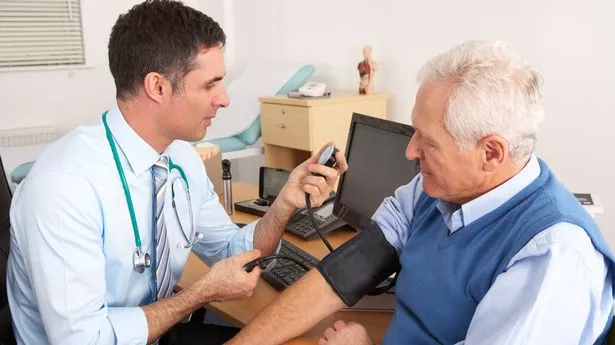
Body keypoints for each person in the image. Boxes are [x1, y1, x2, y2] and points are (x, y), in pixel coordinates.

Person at [227, 40, 615, 345]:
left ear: (491, 153)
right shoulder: (434, 190)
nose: (410, 152)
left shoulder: (552, 258)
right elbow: (339, 277)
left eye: (428, 142)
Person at [5, 1, 347, 344]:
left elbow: (231, 252)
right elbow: (83, 340)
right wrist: (198, 294)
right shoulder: (64, 187)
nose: (224, 99)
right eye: (209, 85)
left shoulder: (181, 159)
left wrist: (284, 205)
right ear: (158, 87)